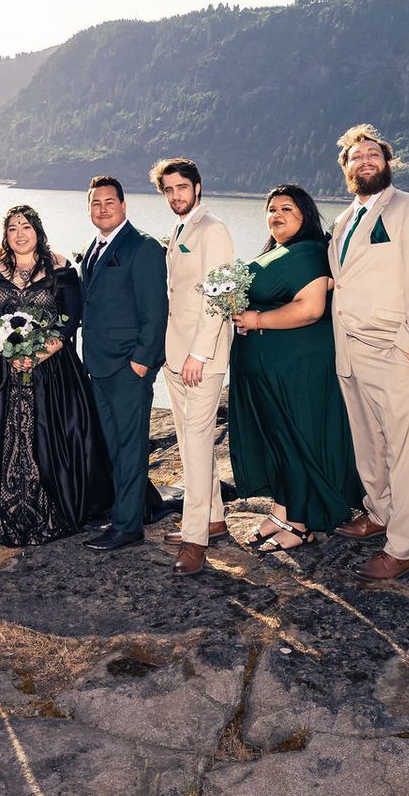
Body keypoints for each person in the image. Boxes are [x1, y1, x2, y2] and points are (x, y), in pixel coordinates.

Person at [328, 124, 409, 581]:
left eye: (373, 154)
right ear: (346, 168)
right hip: (350, 351)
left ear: (387, 162)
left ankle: (402, 547)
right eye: (356, 156)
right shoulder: (344, 220)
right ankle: (377, 513)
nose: (366, 161)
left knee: (403, 452)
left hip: (396, 352)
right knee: (368, 444)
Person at [0, 205, 111, 545]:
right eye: (13, 227)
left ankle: (58, 503)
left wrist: (38, 355)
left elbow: (71, 319)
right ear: (5, 233)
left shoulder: (60, 269)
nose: (20, 233)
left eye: (26, 226)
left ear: (38, 231)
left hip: (52, 369)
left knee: (57, 432)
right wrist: (4, 349)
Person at [230, 184, 364, 556]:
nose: (276, 215)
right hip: (269, 366)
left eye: (286, 209)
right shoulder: (279, 252)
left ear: (305, 214)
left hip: (297, 368)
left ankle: (300, 524)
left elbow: (310, 309)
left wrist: (256, 318)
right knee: (277, 441)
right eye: (271, 209)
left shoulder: (308, 253)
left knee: (294, 439)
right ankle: (281, 511)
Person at [152, 158, 236, 576]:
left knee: (197, 444)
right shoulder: (179, 229)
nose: (175, 195)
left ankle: (195, 539)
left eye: (182, 187)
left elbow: (219, 297)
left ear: (198, 188)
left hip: (200, 359)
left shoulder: (213, 230)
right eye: (168, 190)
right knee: (189, 442)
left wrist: (199, 354)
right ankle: (214, 518)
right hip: (176, 354)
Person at [77, 175, 169, 552]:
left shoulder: (142, 247)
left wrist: (142, 363)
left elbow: (156, 310)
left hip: (128, 367)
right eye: (96, 203)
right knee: (114, 446)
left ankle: (128, 526)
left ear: (124, 206)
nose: (103, 208)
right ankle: (122, 513)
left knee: (130, 447)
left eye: (109, 202)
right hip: (99, 365)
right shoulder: (94, 247)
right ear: (89, 209)